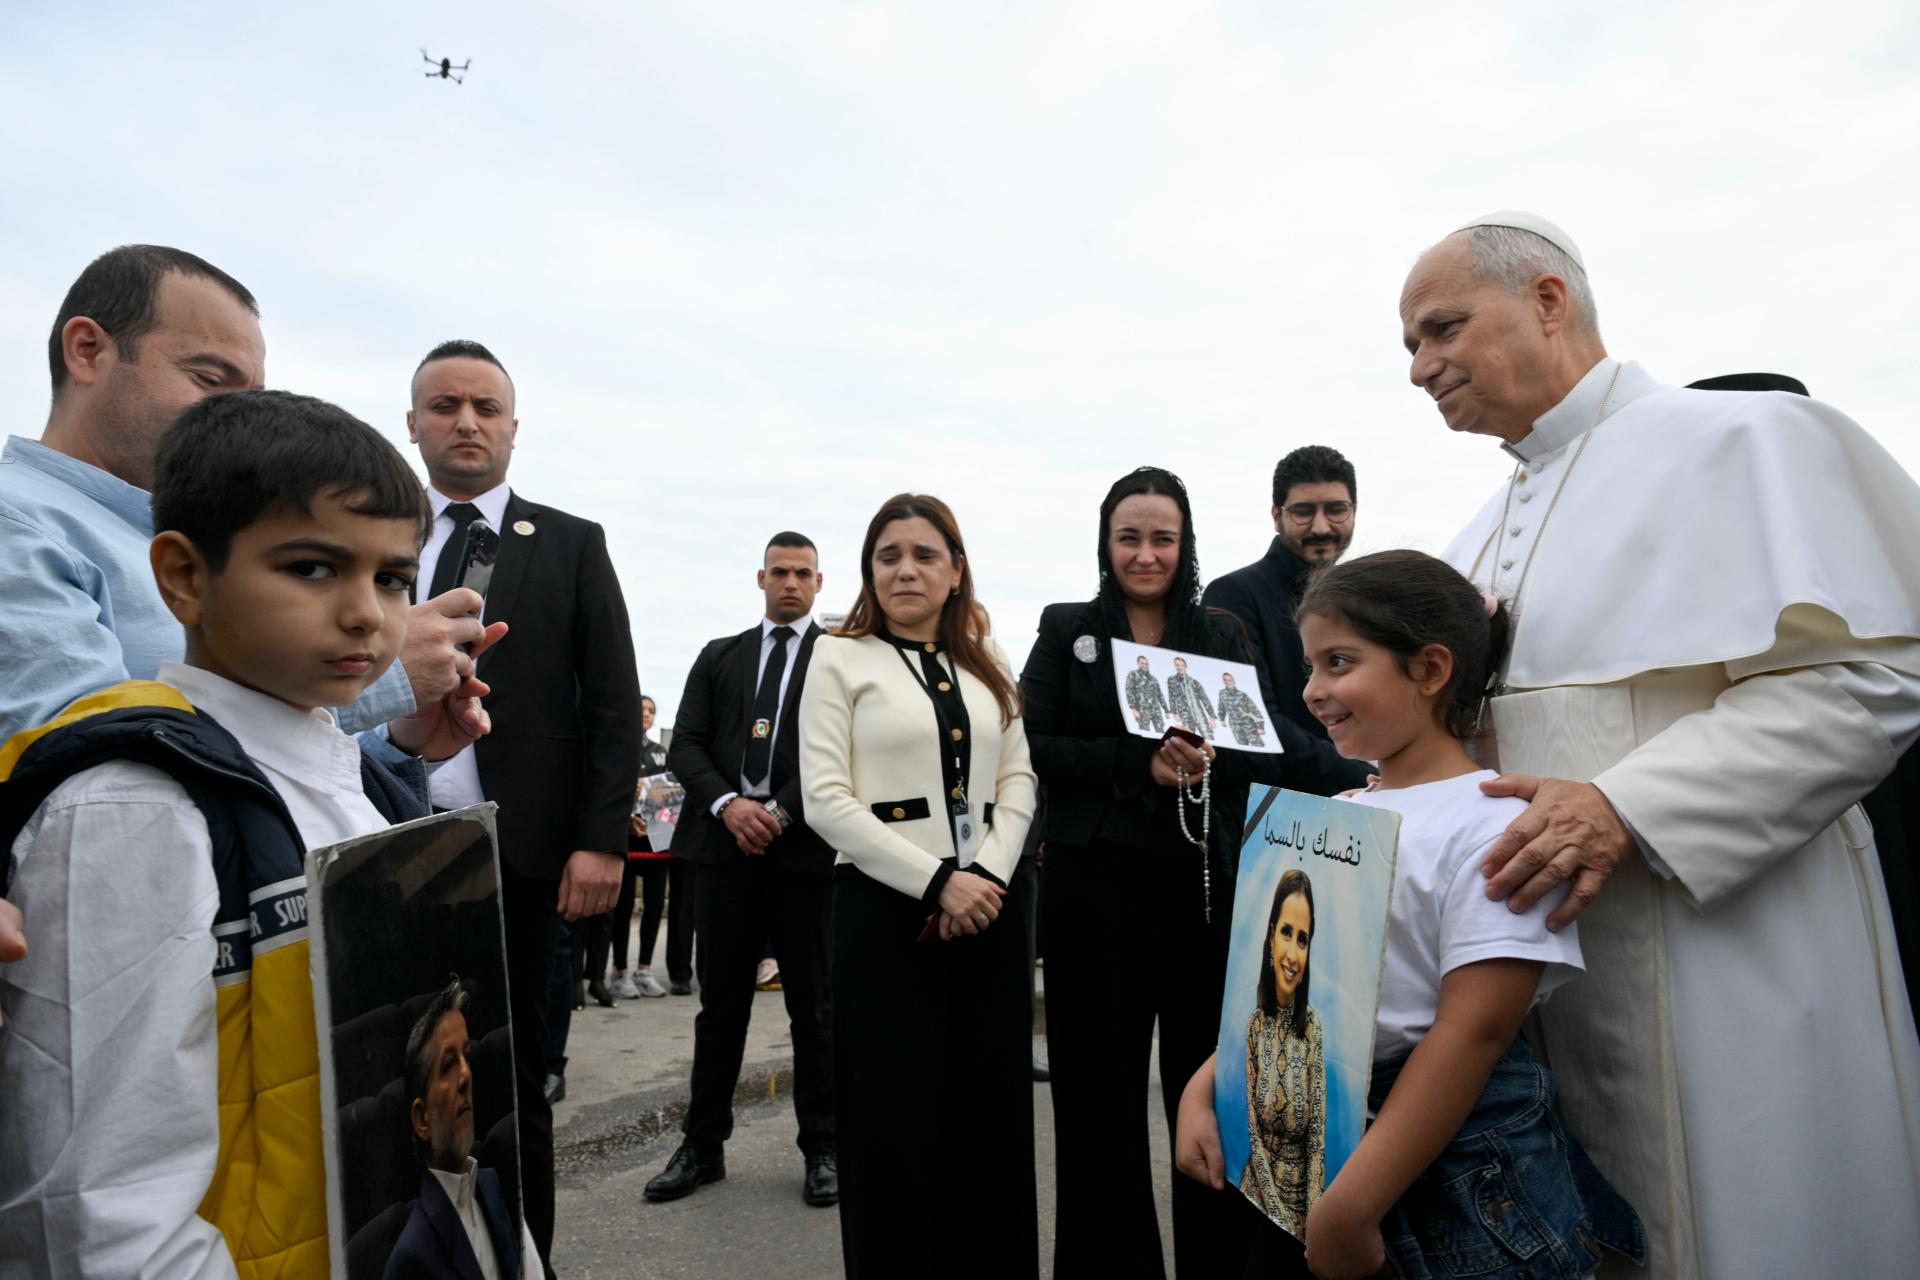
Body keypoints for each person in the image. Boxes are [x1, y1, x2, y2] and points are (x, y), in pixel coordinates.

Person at [1404, 212, 1920, 1277]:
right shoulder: (1470, 536)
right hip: (1549, 974)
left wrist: (1628, 806)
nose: (1422, 367)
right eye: (1410, 345)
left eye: (1442, 328)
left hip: (1731, 950)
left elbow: (1875, 674)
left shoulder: (1748, 441)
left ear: (1548, 300)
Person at [0, 390, 454, 1277]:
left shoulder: (348, 773)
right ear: (183, 576)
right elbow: (101, 1208)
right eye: (314, 568)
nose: (368, 612)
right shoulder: (134, 804)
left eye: (394, 577)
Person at [1177, 550, 1644, 1280]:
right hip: (1310, 1145)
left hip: (1450, 1173)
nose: (1312, 691)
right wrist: (1204, 1086)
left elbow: (1474, 1030)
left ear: (1429, 670)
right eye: (1309, 666)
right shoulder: (1336, 813)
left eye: (1339, 662)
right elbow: (1276, 988)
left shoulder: (1493, 826)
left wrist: (1352, 1206)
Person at [1019, 466, 1362, 1280]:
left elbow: (1255, 744)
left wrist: (1207, 760)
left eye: (1161, 538)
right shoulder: (1067, 629)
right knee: (1094, 1100)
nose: (1145, 554)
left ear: (1186, 543)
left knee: (1208, 1096)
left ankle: (1221, 1270)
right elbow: (1033, 746)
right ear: (1106, 543)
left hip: (1204, 890)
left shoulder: (1220, 635)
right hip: (1090, 890)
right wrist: (1140, 763)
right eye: (1128, 537)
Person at [0, 244, 496, 760]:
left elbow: (281, 776)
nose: (238, 419)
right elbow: (83, 771)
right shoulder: (18, 524)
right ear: (86, 350)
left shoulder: (197, 525)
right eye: (210, 380)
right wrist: (381, 678)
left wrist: (399, 740)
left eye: (389, 581)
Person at [404, 339, 642, 1266]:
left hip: (525, 859)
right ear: (413, 423)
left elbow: (612, 698)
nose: (467, 422)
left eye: (486, 407)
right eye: (445, 405)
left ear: (513, 427)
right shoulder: (376, 536)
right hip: (389, 844)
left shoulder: (572, 544)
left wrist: (600, 842)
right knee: (403, 1081)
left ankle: (524, 1257)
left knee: (509, 1080)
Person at [798, 493, 1039, 1279]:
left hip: (992, 911)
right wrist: (940, 881)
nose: (905, 569)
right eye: (888, 555)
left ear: (956, 568)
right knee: (892, 1126)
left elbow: (1020, 779)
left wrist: (985, 877)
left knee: (989, 1119)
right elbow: (826, 799)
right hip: (884, 912)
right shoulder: (838, 654)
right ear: (870, 570)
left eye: (925, 554)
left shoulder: (990, 659)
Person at [645, 533, 837, 1207]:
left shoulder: (838, 660)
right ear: (761, 578)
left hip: (805, 855)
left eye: (803, 573)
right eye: (779, 572)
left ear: (820, 582)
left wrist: (779, 813)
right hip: (723, 853)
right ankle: (703, 1146)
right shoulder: (719, 657)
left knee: (814, 1009)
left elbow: (841, 751)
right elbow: (688, 744)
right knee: (718, 1007)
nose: (790, 583)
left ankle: (823, 1147)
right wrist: (729, 805)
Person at [387, 978, 540, 1280]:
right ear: (422, 1120)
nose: (466, 1075)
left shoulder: (490, 1186)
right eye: (448, 1065)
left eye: (466, 1057)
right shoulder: (413, 1254)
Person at [1203, 445, 1357, 741]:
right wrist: (1360, 776)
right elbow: (1252, 726)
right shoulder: (1232, 595)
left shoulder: (1365, 600)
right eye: (1303, 512)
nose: (1321, 527)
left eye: (1336, 510)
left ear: (1354, 512)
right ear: (1277, 516)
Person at [1239, 869, 1324, 1228]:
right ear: (1271, 938)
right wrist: (1275, 1211)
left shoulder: (1313, 1030)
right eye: (1286, 932)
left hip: (1302, 1213)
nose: (1292, 953)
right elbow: (1253, 1136)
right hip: (1255, 1194)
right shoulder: (1255, 1027)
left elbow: (1317, 1142)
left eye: (1302, 939)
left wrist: (1314, 1218)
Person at [610, 696, 685, 999]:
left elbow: (670, 792)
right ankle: (619, 972)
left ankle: (644, 969)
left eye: (651, 710)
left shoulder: (660, 753)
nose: (646, 714)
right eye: (641, 708)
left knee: (654, 906)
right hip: (625, 840)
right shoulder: (618, 746)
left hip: (655, 841)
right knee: (624, 906)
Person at [1165, 655, 1216, 740]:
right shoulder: (1171, 681)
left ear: (1186, 667)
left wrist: (1212, 717)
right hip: (1186, 717)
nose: (1180, 667)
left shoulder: (1194, 682)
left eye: (1182, 665)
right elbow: (1171, 697)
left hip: (1200, 716)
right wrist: (1174, 712)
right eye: (1177, 665)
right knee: (1188, 741)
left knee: (1209, 740)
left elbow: (1205, 699)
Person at [1216, 670, 1267, 748]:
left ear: (1234, 681)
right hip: (1235, 727)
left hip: (1248, 726)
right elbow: (1221, 706)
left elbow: (1255, 710)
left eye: (1230, 680)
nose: (1227, 682)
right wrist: (1222, 719)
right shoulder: (1222, 693)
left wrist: (1260, 727)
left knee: (1259, 747)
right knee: (1243, 748)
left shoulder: (1242, 695)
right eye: (1225, 680)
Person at [1125, 653, 1169, 731]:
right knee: (1145, 732)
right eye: (1142, 663)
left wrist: (1166, 710)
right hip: (1142, 710)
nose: (1145, 665)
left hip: (1156, 710)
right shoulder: (1133, 674)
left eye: (1146, 663)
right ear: (1138, 663)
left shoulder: (1153, 678)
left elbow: (1160, 694)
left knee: (1161, 732)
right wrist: (1133, 708)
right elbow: (1129, 690)